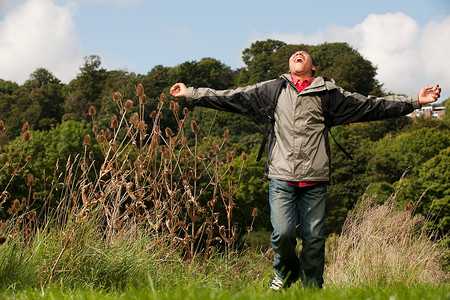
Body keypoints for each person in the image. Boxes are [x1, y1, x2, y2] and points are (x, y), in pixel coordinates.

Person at [169, 50, 441, 290]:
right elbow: (231, 96)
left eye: (304, 54)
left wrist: (415, 100)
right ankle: (286, 275)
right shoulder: (273, 89)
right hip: (281, 175)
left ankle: (312, 289)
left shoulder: (329, 93)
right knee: (283, 233)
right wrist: (191, 93)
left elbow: (371, 106)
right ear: (289, 67)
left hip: (314, 178)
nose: (298, 54)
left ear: (313, 67)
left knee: (313, 240)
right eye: (294, 55)